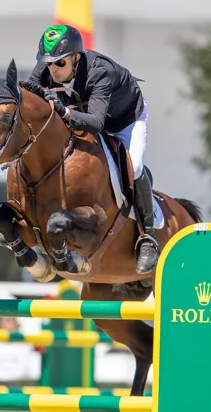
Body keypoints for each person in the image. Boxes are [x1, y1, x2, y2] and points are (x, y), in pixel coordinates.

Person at [27, 24, 158, 273]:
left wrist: (64, 111)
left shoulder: (100, 72)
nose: (53, 69)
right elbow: (30, 97)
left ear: (76, 58)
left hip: (123, 120)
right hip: (81, 115)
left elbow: (97, 123)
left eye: (60, 64)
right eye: (48, 63)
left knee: (135, 165)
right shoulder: (46, 68)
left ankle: (147, 238)